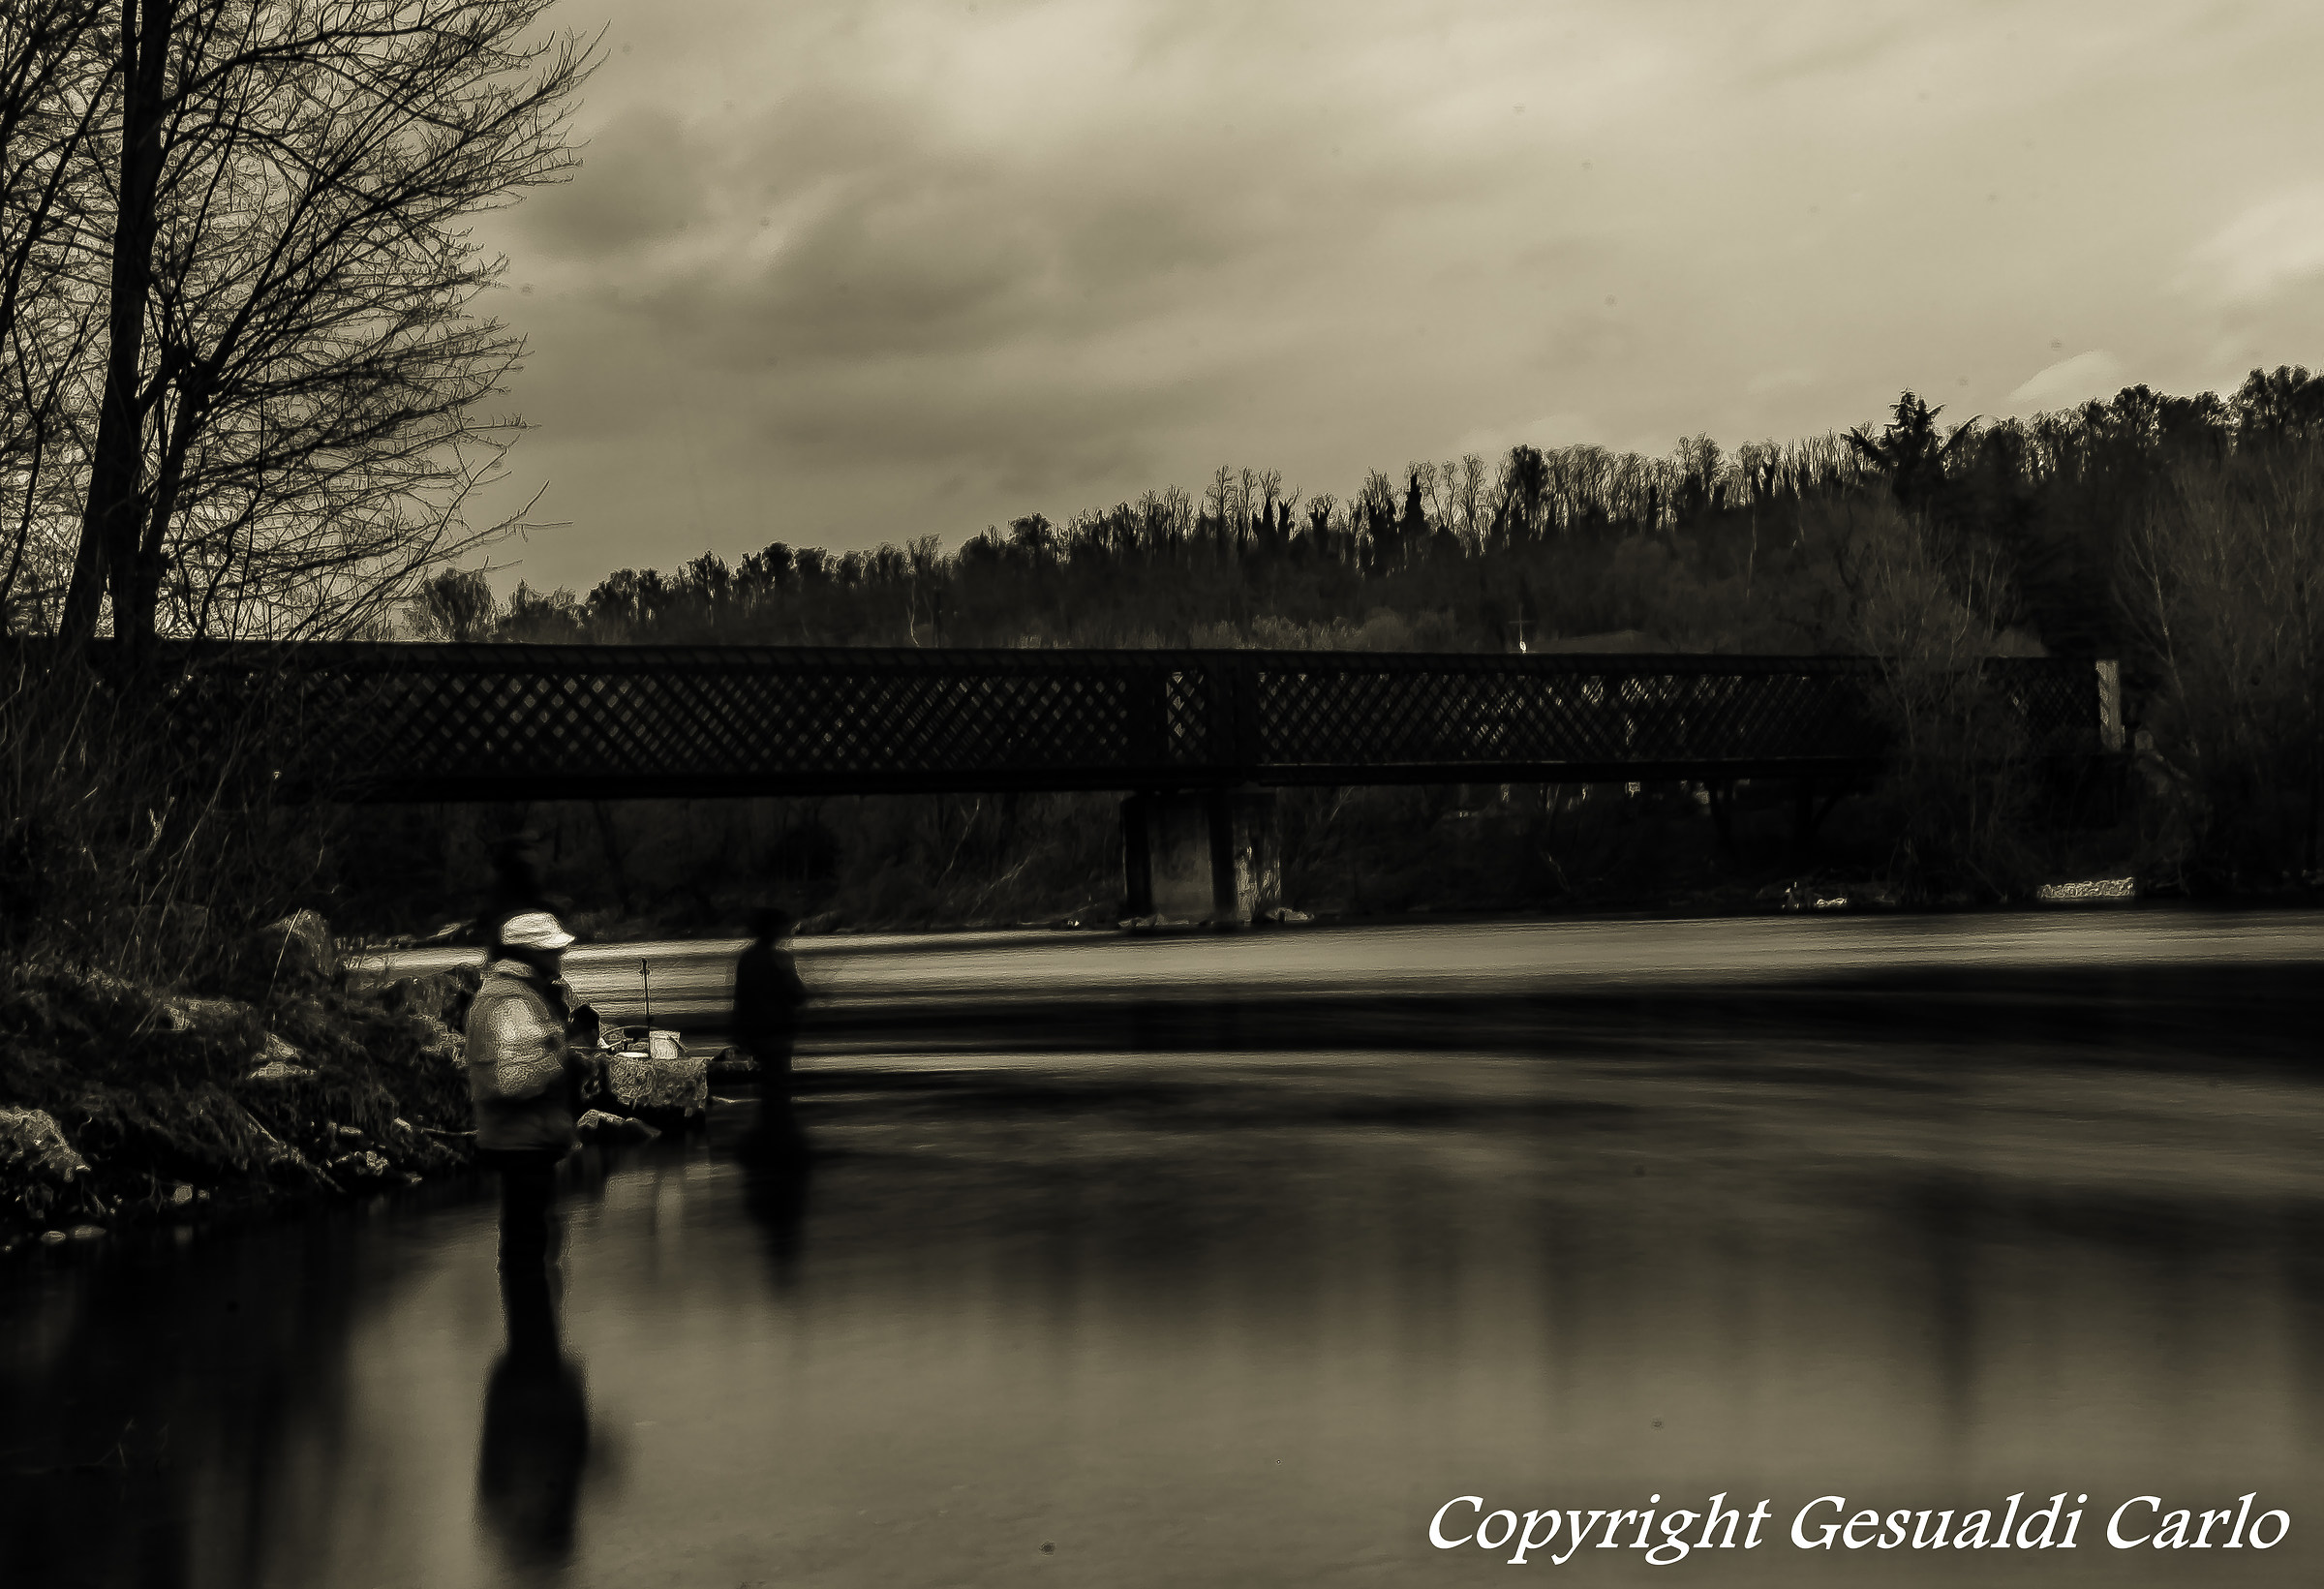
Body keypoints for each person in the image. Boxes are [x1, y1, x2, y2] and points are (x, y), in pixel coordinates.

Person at [466, 910, 584, 1273]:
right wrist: (564, 1061)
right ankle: (531, 1320)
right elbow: (510, 1080)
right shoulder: (508, 1002)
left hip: (529, 1142)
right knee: (526, 1252)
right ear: (528, 955)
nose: (559, 956)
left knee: (533, 1244)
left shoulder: (524, 995)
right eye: (551, 950)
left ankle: (533, 1319)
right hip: (520, 1145)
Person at [733, 906, 809, 1142]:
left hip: (757, 1032)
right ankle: (780, 1134)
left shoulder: (747, 959)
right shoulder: (780, 959)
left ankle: (770, 1132)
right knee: (778, 1084)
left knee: (769, 1084)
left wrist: (739, 1032)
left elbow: (741, 999)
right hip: (777, 1031)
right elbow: (797, 995)